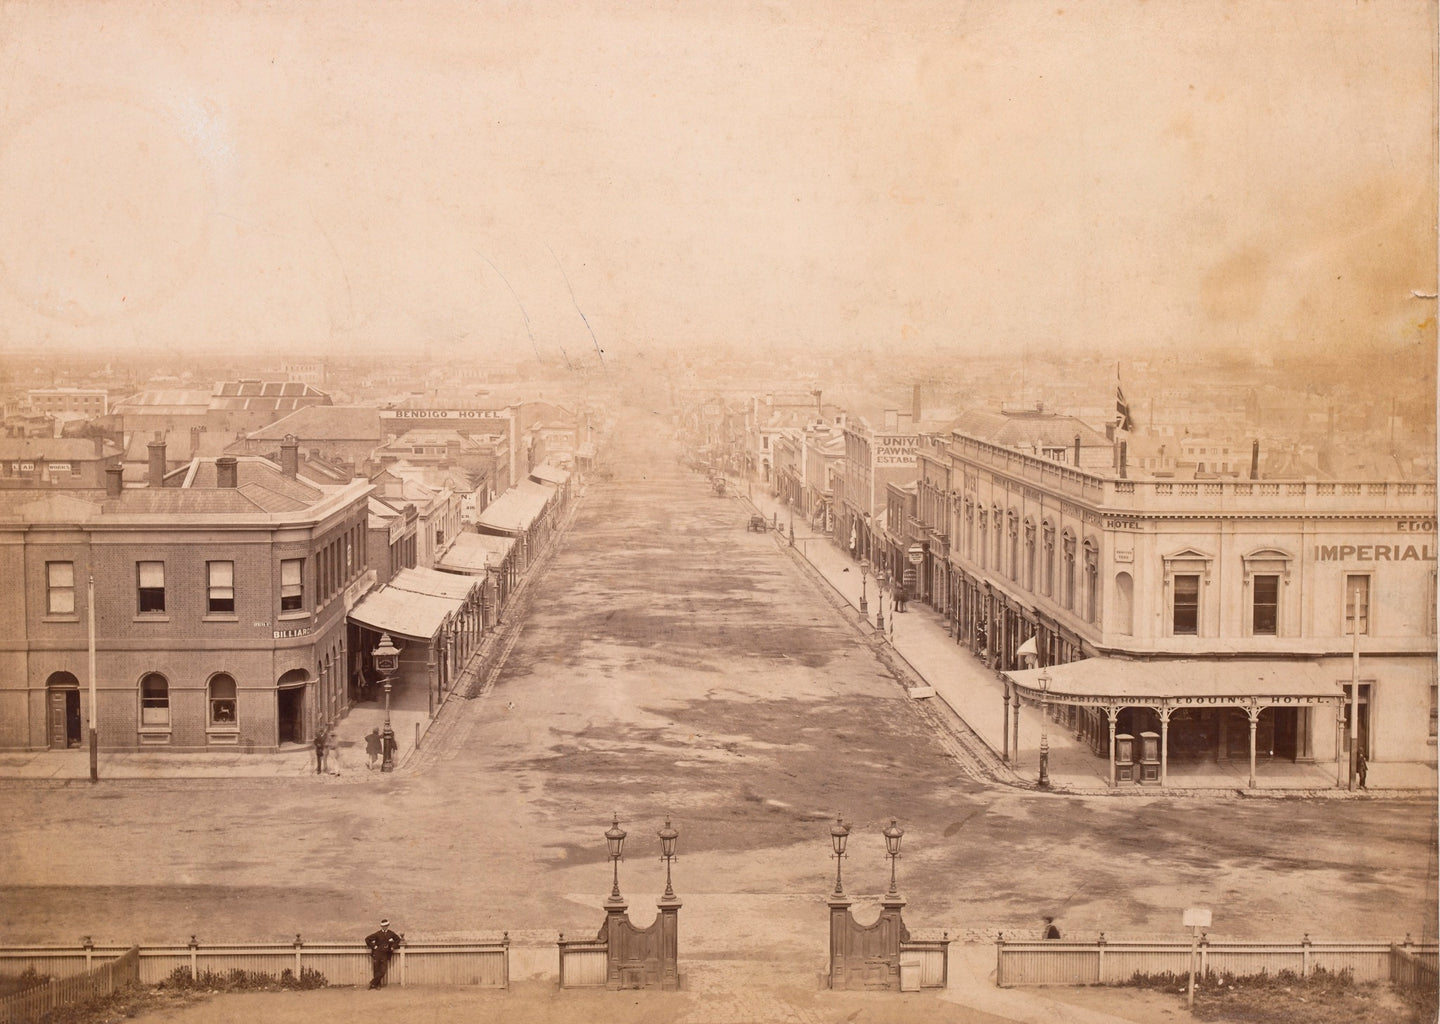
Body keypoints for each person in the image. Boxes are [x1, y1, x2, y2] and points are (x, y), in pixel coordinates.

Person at [365, 918, 402, 989]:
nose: (384, 927)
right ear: (381, 926)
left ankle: (372, 983)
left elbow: (398, 940)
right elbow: (367, 939)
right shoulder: (377, 934)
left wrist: (393, 947)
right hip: (377, 953)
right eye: (383, 926)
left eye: (386, 926)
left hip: (385, 954)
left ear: (388, 926)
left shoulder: (391, 933)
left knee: (383, 970)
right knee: (376, 969)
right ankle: (377, 985)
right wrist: (374, 947)